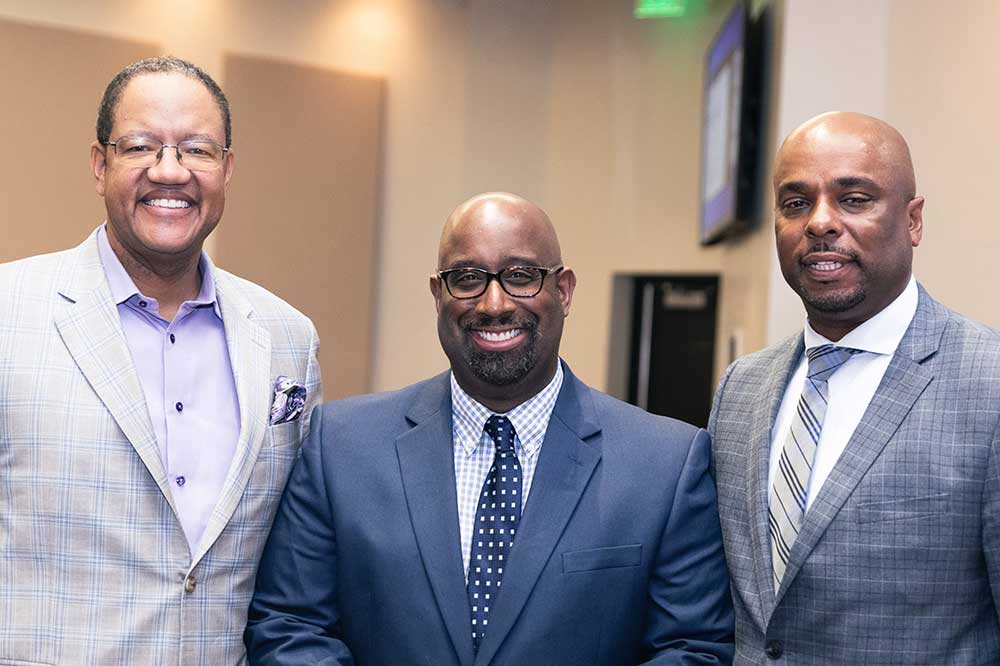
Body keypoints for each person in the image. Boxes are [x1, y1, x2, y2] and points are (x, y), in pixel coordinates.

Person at [245, 192, 734, 665]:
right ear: (439, 295)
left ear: (563, 291)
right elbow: (290, 625)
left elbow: (692, 648)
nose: (494, 303)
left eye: (521, 276)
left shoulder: (666, 464)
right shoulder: (341, 447)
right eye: (467, 278)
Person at [0, 57, 321, 665]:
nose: (169, 172)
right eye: (141, 146)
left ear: (227, 170)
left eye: (196, 150)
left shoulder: (287, 339)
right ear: (100, 165)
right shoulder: (7, 313)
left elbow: (294, 572)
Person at [709, 111, 1000, 665]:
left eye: (854, 199)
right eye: (796, 203)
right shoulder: (741, 388)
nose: (819, 222)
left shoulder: (990, 383)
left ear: (914, 221)